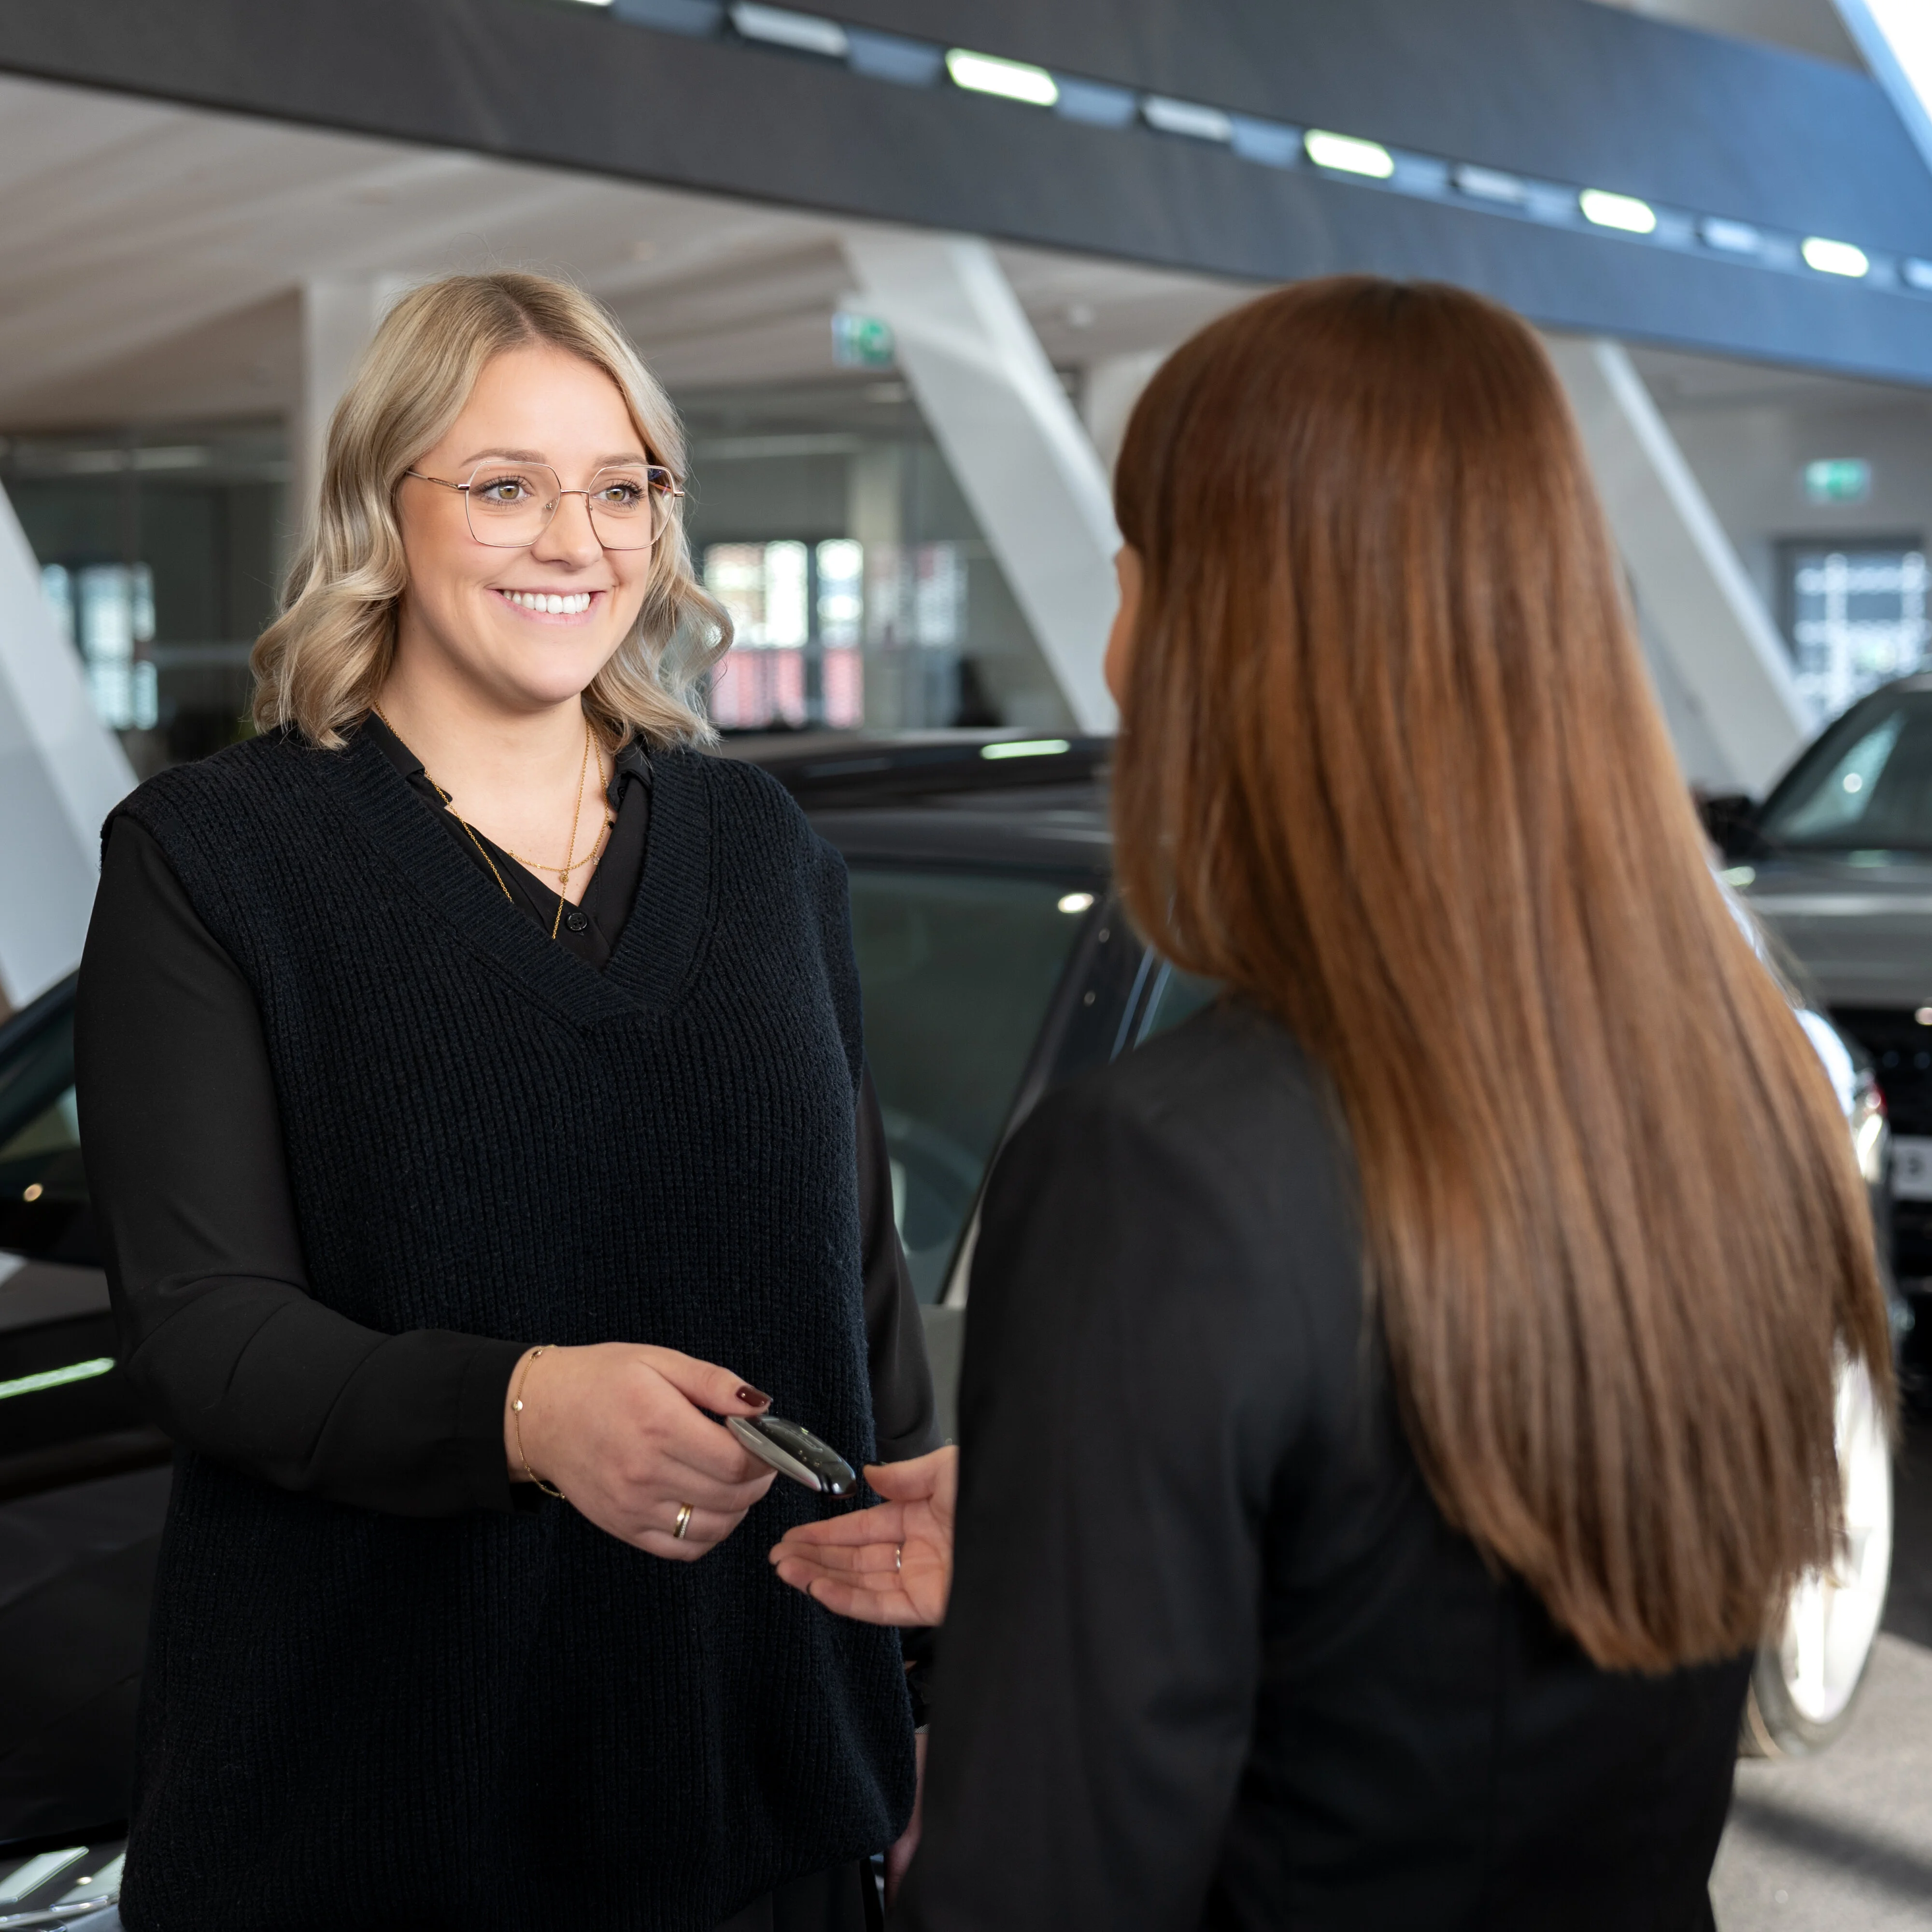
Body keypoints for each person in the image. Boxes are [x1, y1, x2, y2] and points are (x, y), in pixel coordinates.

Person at [769, 277, 1894, 1930]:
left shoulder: (1162, 1174)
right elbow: (1442, 1635)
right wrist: (1077, 1546)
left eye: (1132, 579)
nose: (1115, 648)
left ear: (1229, 639)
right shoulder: (1733, 1103)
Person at [75, 270, 937, 1932]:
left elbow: (862, 1291)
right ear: (379, 513)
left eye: (622, 488)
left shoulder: (761, 854)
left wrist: (930, 1682)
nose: (578, 541)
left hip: (762, 1809)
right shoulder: (215, 860)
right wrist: (526, 1414)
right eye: (504, 487)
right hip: (372, 1827)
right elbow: (205, 1330)